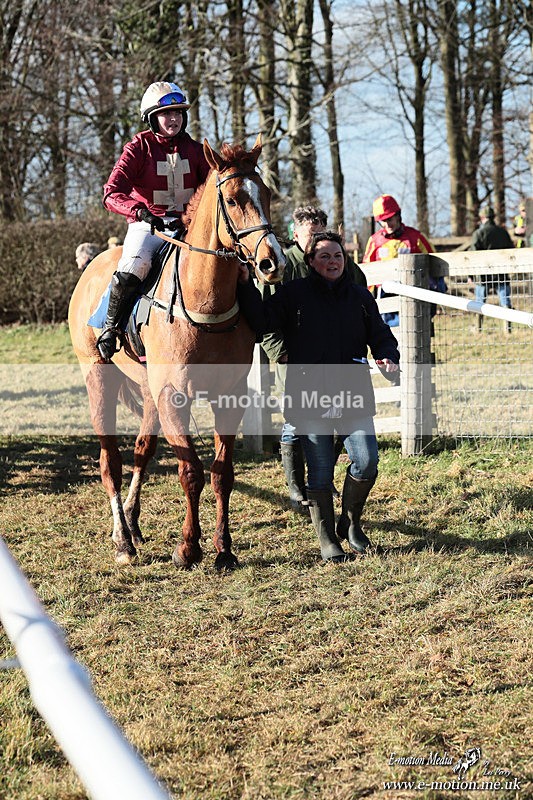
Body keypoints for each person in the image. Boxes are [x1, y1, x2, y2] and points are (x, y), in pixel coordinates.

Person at [238, 231, 400, 563]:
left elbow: (381, 335)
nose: (332, 261)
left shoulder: (359, 297)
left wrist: (386, 355)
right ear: (311, 262)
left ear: (346, 260)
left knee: (367, 461)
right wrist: (244, 285)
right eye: (324, 256)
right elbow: (262, 321)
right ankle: (327, 538)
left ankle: (352, 523)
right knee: (321, 472)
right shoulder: (293, 294)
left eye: (337, 256)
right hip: (308, 396)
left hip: (353, 393)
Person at [261, 206, 368, 514]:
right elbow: (267, 314)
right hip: (294, 359)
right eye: (310, 234)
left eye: (321, 232)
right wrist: (280, 352)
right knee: (296, 421)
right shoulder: (284, 264)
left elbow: (359, 296)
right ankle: (297, 488)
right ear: (296, 235)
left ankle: (322, 481)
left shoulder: (335, 260)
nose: (316, 239)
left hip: (335, 359)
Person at [98, 81, 210, 361]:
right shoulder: (138, 147)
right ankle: (111, 328)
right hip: (148, 224)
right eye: (166, 114)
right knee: (136, 263)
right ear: (151, 118)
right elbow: (111, 193)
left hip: (188, 225)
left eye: (178, 113)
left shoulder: (196, 150)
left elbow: (212, 189)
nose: (173, 119)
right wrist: (138, 212)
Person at [363, 194, 445, 326]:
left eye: (389, 219)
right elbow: (367, 270)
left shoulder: (415, 237)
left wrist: (437, 287)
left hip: (413, 291)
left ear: (397, 216)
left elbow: (434, 260)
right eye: (382, 221)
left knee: (416, 327)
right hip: (386, 296)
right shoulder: (374, 241)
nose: (387, 224)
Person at [469, 206, 514, 333]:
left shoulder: (478, 233)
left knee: (479, 301)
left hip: (483, 274)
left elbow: (473, 255)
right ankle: (507, 328)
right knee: (505, 300)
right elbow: (510, 250)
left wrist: (471, 275)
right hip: (501, 272)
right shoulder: (503, 232)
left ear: (482, 217)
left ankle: (478, 328)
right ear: (493, 217)